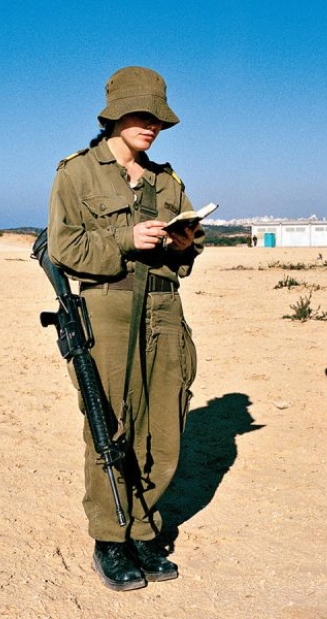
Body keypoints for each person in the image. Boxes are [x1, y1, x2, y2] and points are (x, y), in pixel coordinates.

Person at [46, 66, 204, 591]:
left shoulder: (167, 180)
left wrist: (185, 247)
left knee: (165, 424)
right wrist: (123, 238)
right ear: (114, 115)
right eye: (142, 115)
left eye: (158, 118)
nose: (152, 125)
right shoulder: (76, 173)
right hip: (108, 307)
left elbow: (186, 257)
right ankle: (110, 538)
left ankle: (144, 527)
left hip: (164, 308)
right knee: (110, 423)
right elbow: (65, 248)